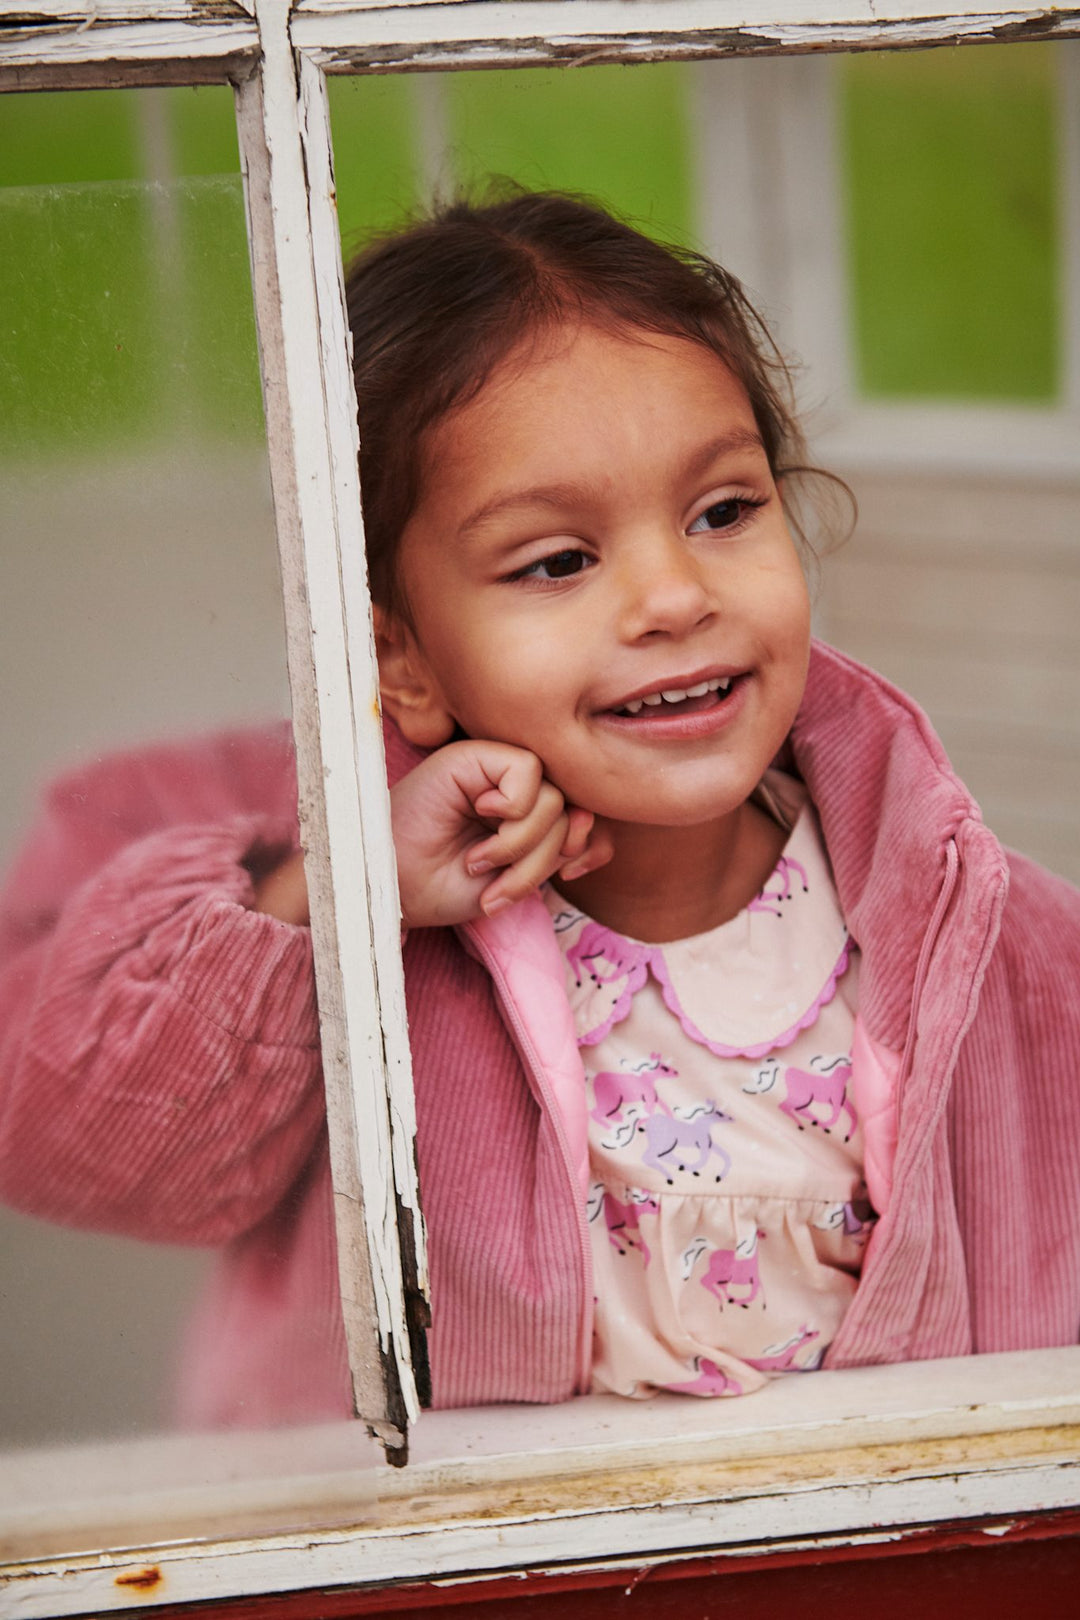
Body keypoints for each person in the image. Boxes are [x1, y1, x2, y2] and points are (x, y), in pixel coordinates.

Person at [2, 192, 1079, 1430]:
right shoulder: (372, 960)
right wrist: (347, 894)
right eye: (557, 562)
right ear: (400, 660)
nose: (674, 596)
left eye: (724, 512)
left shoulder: (980, 942)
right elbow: (75, 1143)